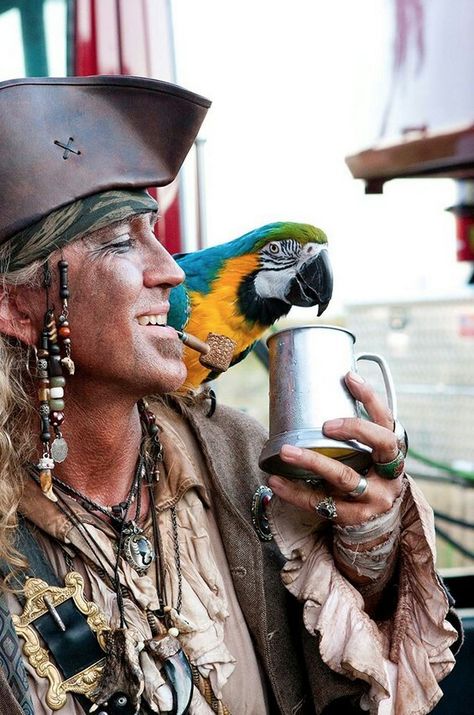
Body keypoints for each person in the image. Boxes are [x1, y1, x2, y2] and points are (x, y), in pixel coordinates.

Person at [0, 75, 461, 715]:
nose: (166, 271)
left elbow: (356, 675)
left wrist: (368, 540)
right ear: (17, 307)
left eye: (154, 234)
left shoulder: (245, 454)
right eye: (117, 242)